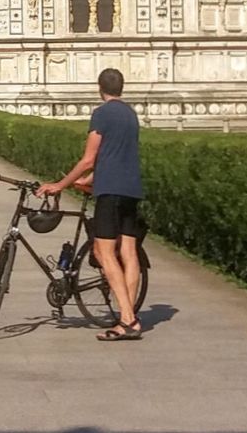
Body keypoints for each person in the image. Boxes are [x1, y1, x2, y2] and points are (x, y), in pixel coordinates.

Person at [39, 68, 145, 341]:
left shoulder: (102, 114)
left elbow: (89, 158)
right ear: (121, 88)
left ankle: (128, 320)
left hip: (110, 192)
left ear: (100, 88)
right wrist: (87, 180)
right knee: (129, 252)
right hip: (131, 188)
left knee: (105, 251)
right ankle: (128, 314)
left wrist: (60, 185)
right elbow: (116, 156)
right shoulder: (131, 115)